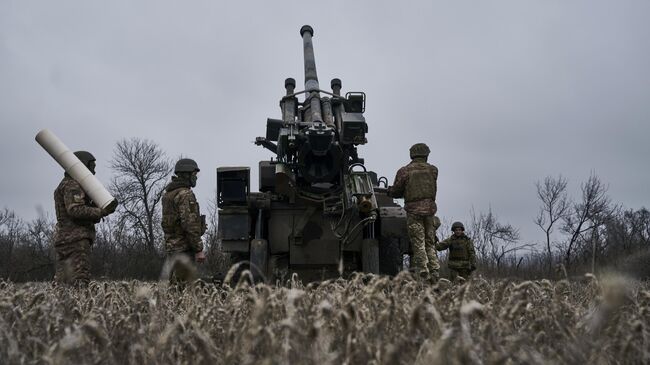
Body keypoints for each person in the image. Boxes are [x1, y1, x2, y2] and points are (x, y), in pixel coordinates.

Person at [53, 151, 117, 286]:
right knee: (79, 281)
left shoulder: (65, 184)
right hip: (76, 241)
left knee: (62, 283)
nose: (93, 171)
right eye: (91, 166)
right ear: (83, 165)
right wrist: (101, 211)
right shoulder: (72, 185)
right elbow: (75, 210)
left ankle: (59, 307)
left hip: (65, 240)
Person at [388, 143, 440, 281]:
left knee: (419, 243)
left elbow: (397, 191)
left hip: (414, 211)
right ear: (426, 154)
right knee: (430, 242)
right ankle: (435, 270)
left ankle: (423, 271)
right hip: (430, 211)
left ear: (412, 154)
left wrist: (390, 191)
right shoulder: (433, 170)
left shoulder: (405, 171)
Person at [161, 158, 207, 283]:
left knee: (174, 291)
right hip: (184, 250)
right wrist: (199, 249)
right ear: (187, 175)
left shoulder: (168, 195)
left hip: (172, 249)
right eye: (194, 174)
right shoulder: (185, 195)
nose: (196, 178)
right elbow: (190, 225)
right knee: (184, 290)